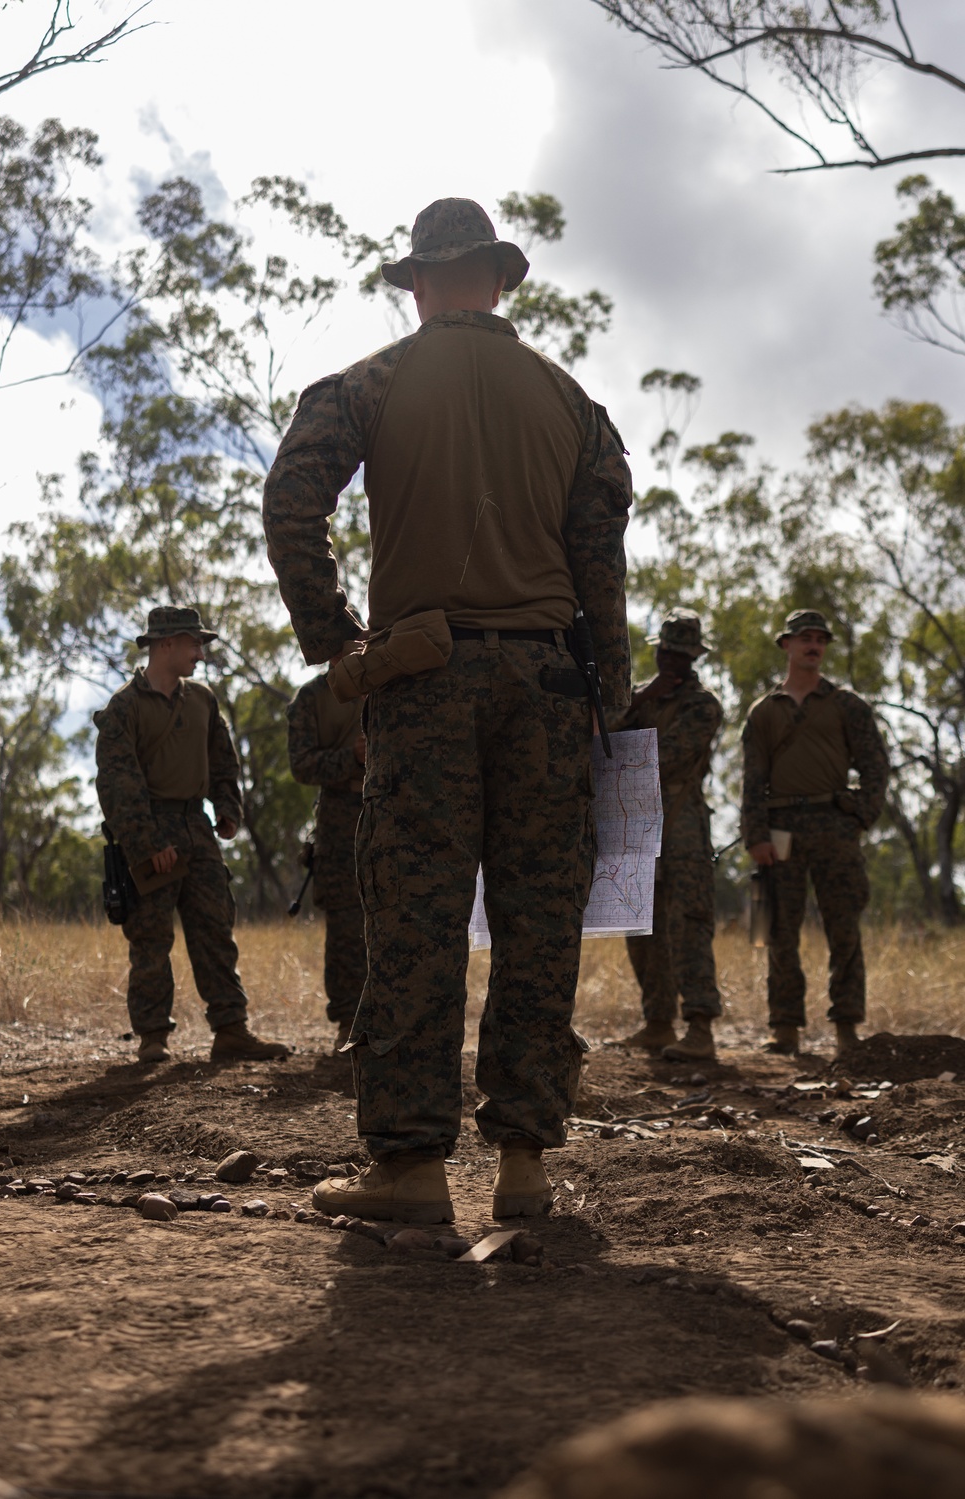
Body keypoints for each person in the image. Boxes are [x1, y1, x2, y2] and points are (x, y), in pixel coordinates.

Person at [263, 197, 633, 1223]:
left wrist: (336, 639)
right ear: (500, 282)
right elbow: (601, 568)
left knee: (418, 919)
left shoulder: (370, 383)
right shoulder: (571, 403)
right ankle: (524, 1164)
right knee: (536, 922)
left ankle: (412, 1168)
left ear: (420, 283)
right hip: (552, 687)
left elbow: (291, 500)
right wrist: (606, 696)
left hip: (423, 680)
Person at [94, 606, 289, 1064]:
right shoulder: (124, 707)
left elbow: (224, 761)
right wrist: (146, 844)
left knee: (215, 929)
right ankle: (153, 1038)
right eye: (193, 643)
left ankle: (231, 1030)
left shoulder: (203, 700)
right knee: (151, 936)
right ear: (165, 644)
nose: (200, 653)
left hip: (196, 829)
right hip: (151, 829)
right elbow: (118, 783)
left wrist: (228, 809)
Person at [741, 609, 888, 1058]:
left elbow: (876, 766)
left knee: (843, 926)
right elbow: (752, 779)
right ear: (786, 645)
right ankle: (784, 1029)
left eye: (820, 639)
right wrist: (756, 836)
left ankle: (847, 1028)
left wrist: (858, 816)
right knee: (780, 930)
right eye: (804, 637)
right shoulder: (764, 711)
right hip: (781, 828)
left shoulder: (848, 705)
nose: (813, 645)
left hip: (834, 827)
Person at [607, 609, 723, 1062]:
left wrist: (630, 724)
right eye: (667, 651)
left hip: (683, 826)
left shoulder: (702, 704)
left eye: (682, 653)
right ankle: (657, 1023)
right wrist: (636, 702)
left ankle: (699, 1026)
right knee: (640, 924)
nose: (672, 660)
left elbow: (664, 757)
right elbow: (599, 739)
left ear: (695, 656)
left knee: (689, 923)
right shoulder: (637, 701)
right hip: (634, 822)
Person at [286, 672, 367, 1048]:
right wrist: (350, 757)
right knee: (346, 925)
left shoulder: (394, 679)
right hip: (339, 820)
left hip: (398, 809)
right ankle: (349, 1021)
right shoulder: (314, 696)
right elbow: (301, 765)